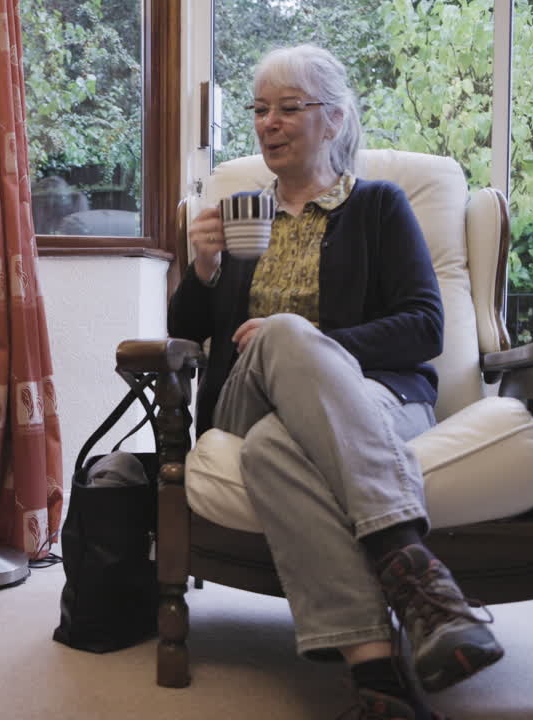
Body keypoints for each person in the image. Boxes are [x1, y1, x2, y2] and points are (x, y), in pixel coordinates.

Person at [170, 44, 503, 720]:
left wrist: (318, 345)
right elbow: (186, 332)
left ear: (335, 119)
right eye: (260, 109)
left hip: (377, 397)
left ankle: (377, 679)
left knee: (273, 445)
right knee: (284, 337)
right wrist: (201, 270)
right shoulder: (238, 214)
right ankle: (410, 567)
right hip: (246, 399)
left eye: (289, 108)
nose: (268, 123)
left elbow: (425, 328)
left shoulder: (379, 207)